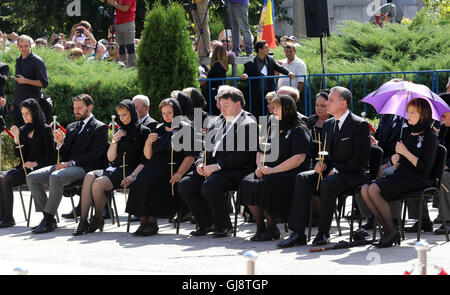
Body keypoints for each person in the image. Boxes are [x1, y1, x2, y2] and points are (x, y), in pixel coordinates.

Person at [277, 86, 371, 248]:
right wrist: (323, 163)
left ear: (343, 103)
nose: (327, 103)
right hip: (332, 171)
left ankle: (323, 232)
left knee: (329, 183)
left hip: (353, 173)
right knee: (302, 178)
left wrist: (337, 170)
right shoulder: (328, 124)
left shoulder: (359, 125)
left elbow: (361, 160)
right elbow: (327, 152)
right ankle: (298, 233)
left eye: (331, 100)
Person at [178, 87, 257, 238]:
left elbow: (244, 154)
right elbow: (206, 147)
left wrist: (218, 166)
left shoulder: (248, 122)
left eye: (226, 105)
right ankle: (206, 222)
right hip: (213, 167)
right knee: (185, 184)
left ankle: (224, 226)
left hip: (237, 169)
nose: (222, 108)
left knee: (211, 185)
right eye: (221, 105)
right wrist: (200, 163)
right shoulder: (217, 121)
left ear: (238, 104)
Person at [26, 94, 109, 234]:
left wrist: (71, 163)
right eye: (74, 107)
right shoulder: (71, 127)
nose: (76, 110)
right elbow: (64, 153)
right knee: (32, 177)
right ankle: (48, 217)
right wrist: (59, 144)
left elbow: (96, 155)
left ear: (90, 107)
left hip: (85, 168)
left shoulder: (100, 127)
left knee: (56, 176)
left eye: (80, 108)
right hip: (68, 166)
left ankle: (47, 219)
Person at [361, 98, 438, 248]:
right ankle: (388, 229)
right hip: (403, 175)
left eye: (412, 112)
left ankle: (391, 231)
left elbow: (425, 168)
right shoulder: (408, 132)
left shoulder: (430, 136)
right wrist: (397, 160)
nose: (408, 115)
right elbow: (403, 162)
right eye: (407, 111)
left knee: (374, 189)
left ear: (423, 115)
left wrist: (405, 153)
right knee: (365, 189)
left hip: (419, 178)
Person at [238, 94, 312, 241]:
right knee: (247, 182)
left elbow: (299, 158)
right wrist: (259, 166)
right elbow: (260, 149)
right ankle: (261, 227)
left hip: (291, 172)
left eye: (277, 108)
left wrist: (274, 170)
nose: (273, 110)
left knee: (266, 184)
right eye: (273, 107)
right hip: (268, 169)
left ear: (287, 109)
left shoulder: (299, 128)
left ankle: (272, 227)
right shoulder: (272, 125)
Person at [73, 99, 150, 235]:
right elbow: (110, 158)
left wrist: (133, 176)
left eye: (125, 114)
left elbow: (145, 160)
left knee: (97, 184)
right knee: (90, 175)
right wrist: (114, 140)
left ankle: (97, 218)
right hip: (114, 168)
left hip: (131, 170)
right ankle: (83, 220)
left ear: (132, 113)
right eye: (120, 115)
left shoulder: (143, 131)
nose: (122, 118)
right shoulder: (120, 131)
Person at [126, 98, 196, 236]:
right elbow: (148, 155)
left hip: (173, 166)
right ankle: (143, 221)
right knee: (139, 182)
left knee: (153, 182)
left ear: (176, 112)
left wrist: (179, 174)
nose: (167, 116)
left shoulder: (186, 128)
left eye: (169, 113)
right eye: (164, 113)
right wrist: (147, 142)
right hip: (155, 165)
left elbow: (190, 156)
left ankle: (152, 222)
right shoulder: (158, 128)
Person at [0, 99, 55, 228]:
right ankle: (4, 217)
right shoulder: (23, 129)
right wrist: (16, 139)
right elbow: (19, 155)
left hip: (40, 169)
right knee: (1, 178)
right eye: (22, 113)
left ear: (35, 112)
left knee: (5, 179)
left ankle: (8, 218)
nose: (24, 117)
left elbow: (52, 156)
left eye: (27, 113)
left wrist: (35, 163)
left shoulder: (45, 129)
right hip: (25, 169)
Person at [241, 40, 295, 117]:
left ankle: (270, 129)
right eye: (266, 47)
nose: (268, 49)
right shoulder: (251, 63)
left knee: (270, 114)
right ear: (260, 50)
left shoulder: (270, 60)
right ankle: (257, 129)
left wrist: (288, 72)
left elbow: (279, 68)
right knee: (256, 115)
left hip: (269, 94)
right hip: (256, 95)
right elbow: (246, 72)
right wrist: (244, 75)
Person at [13, 35, 49, 126]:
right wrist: (14, 103)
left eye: (26, 46)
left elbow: (44, 83)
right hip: (18, 104)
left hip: (31, 105)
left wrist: (26, 80)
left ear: (30, 45)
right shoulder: (18, 59)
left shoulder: (37, 61)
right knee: (19, 135)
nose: (23, 49)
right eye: (21, 46)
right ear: (17, 46)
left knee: (33, 136)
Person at [100, 0, 137, 67]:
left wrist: (114, 4)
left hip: (127, 23)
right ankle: (123, 67)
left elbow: (125, 8)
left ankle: (133, 68)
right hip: (118, 23)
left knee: (130, 47)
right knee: (121, 48)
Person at [205, 44, 228, 115]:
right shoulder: (222, 66)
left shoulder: (217, 64)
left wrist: (206, 77)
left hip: (213, 93)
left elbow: (214, 79)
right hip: (219, 93)